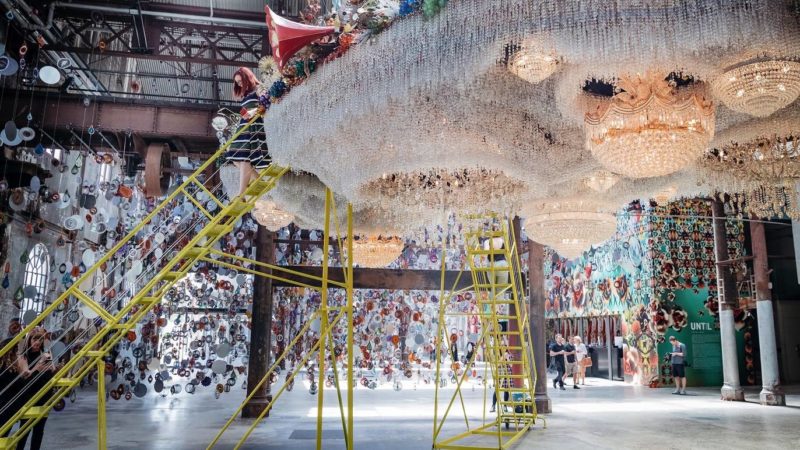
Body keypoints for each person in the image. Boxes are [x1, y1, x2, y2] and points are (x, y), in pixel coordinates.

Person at [226, 67, 271, 195]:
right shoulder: (245, 95)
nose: (240, 84)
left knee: (243, 158)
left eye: (241, 81)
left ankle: (241, 194)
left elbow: (266, 102)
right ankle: (260, 182)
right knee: (235, 158)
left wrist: (253, 112)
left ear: (248, 78)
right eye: (237, 83)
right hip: (244, 127)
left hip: (254, 127)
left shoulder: (259, 88)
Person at [15, 327, 58, 450]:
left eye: (40, 339)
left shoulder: (46, 355)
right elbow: (24, 379)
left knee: (39, 431)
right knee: (24, 430)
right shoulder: (23, 357)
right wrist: (37, 368)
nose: (37, 342)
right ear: (29, 340)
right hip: (28, 398)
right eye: (35, 339)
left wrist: (55, 369)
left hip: (43, 396)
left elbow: (50, 375)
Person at [0, 338, 23, 437]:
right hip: (7, 405)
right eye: (17, 350)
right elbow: (18, 385)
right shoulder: (10, 369)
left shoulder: (6, 366)